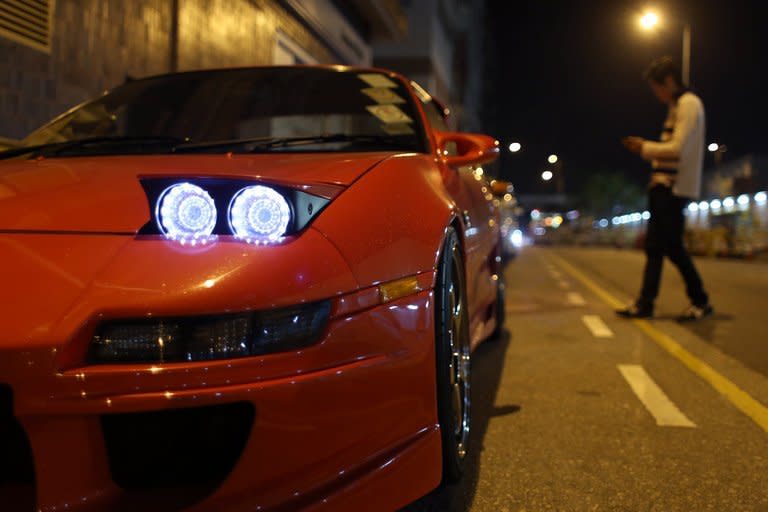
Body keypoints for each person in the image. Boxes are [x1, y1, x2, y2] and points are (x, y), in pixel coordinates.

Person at [617, 56, 713, 321]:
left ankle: (701, 300)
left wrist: (644, 148)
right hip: (663, 186)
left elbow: (677, 148)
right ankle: (645, 303)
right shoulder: (677, 105)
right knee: (656, 248)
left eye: (657, 87)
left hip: (673, 188)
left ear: (669, 81)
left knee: (672, 247)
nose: (656, 93)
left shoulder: (688, 104)